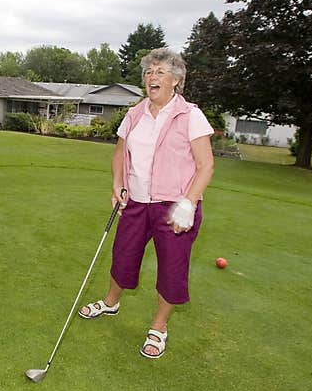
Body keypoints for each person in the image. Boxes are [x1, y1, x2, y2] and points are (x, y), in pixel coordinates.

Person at [78, 48, 214, 359]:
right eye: (149, 72)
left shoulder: (190, 115)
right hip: (136, 201)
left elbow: (205, 165)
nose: (152, 77)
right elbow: (119, 154)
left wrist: (188, 204)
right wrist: (117, 185)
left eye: (160, 72)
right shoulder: (134, 114)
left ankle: (159, 327)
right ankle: (111, 302)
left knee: (172, 267)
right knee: (122, 255)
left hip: (174, 205)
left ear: (176, 80)